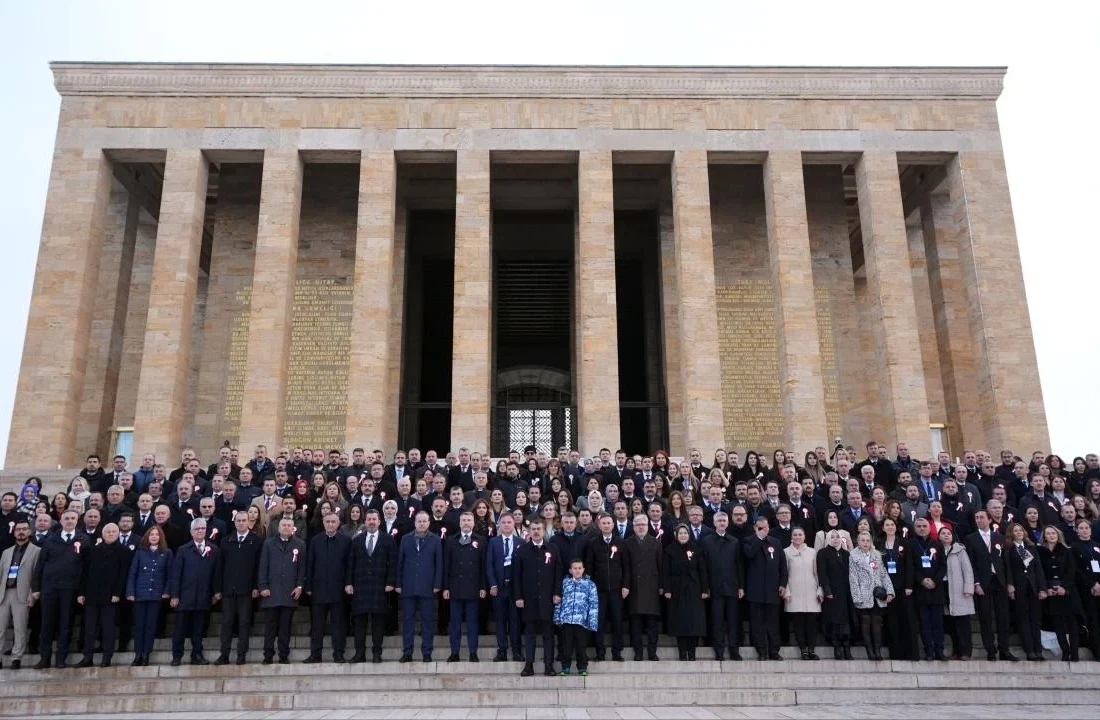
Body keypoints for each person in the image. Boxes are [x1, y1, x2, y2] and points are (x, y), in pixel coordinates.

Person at [31, 509, 89, 669]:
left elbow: (86, 567)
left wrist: (82, 591)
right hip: (49, 588)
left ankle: (61, 659)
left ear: (77, 521)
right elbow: (40, 565)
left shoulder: (84, 540)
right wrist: (36, 588)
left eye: (72, 518)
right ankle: (44, 658)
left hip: (70, 589)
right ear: (61, 521)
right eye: (66, 518)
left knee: (65, 624)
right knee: (46, 624)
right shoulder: (50, 539)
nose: (69, 521)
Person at [963, 509, 1015, 661]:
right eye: (976, 518)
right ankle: (990, 649)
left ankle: (1004, 649)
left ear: (990, 520)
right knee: (985, 618)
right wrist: (976, 583)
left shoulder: (1000, 538)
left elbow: (1007, 563)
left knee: (1003, 617)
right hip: (983, 583)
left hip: (1000, 581)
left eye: (981, 517)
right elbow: (970, 563)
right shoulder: (970, 539)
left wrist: (1010, 583)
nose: (979, 520)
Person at [347, 509, 396, 663]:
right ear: (365, 521)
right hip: (360, 586)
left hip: (379, 587)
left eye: (374, 519)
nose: (372, 522)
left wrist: (390, 582)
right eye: (369, 519)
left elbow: (393, 563)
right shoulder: (357, 540)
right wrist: (349, 583)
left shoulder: (388, 540)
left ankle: (376, 653)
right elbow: (350, 564)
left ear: (379, 521)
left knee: (378, 622)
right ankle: (359, 653)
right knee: (359, 622)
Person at [75, 522, 128, 667]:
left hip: (110, 596)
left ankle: (106, 658)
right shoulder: (92, 550)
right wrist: (81, 592)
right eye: (108, 532)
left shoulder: (123, 551)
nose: (110, 534)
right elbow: (85, 573)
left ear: (117, 534)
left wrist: (117, 593)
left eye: (113, 532)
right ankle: (87, 657)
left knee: (108, 628)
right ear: (103, 534)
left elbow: (123, 574)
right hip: (92, 594)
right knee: (89, 628)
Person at [513, 518, 561, 677]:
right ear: (529, 530)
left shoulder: (553, 549)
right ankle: (529, 665)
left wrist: (557, 593)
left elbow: (557, 574)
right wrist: (518, 596)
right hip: (529, 599)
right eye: (533, 528)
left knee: (548, 634)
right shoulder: (522, 550)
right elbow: (517, 576)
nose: (536, 531)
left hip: (548, 598)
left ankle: (549, 665)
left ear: (543, 530)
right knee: (530, 633)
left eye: (539, 528)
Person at [213, 511, 262, 665]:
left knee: (244, 623)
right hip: (228, 590)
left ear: (249, 522)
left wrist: (256, 586)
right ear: (234, 522)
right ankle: (224, 654)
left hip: (247, 590)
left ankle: (241, 654)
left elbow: (258, 566)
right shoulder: (226, 540)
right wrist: (217, 589)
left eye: (244, 520)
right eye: (238, 520)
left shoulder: (256, 540)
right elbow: (219, 567)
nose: (241, 523)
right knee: (227, 623)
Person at [167, 518, 218, 666]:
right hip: (185, 597)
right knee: (180, 629)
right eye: (197, 529)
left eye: (203, 528)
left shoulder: (213, 550)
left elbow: (216, 573)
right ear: (191, 532)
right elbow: (176, 574)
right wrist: (175, 595)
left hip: (203, 596)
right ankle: (177, 656)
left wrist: (215, 592)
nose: (200, 531)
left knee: (198, 630)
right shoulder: (183, 550)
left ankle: (197, 655)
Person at [258, 517, 307, 664]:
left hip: (289, 592)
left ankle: (283, 655)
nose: (286, 527)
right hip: (271, 592)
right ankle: (268, 655)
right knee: (270, 627)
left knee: (285, 627)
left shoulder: (300, 544)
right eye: (283, 525)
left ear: (293, 528)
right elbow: (263, 566)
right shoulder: (268, 544)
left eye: (289, 525)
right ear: (278, 528)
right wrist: (263, 586)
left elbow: (301, 568)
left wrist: (299, 586)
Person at [304, 512, 352, 663]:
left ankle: (338, 653)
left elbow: (349, 565)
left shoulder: (346, 541)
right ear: (323, 523)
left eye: (333, 522)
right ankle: (315, 654)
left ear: (338, 524)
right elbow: (310, 564)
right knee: (317, 625)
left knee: (338, 625)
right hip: (318, 589)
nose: (330, 524)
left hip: (338, 590)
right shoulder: (315, 541)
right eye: (327, 521)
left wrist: (348, 583)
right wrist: (308, 585)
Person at [396, 511, 442, 662]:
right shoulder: (405, 539)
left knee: (427, 621)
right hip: (408, 586)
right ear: (415, 523)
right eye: (419, 521)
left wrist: (437, 584)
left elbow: (438, 564)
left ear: (429, 523)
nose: (422, 524)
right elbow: (400, 563)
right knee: (408, 621)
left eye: (424, 521)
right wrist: (398, 583)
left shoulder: (435, 540)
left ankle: (427, 652)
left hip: (427, 587)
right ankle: (407, 652)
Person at [584, 512, 631, 662]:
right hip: (599, 590)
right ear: (599, 525)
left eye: (609, 523)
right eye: (603, 523)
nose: (606, 525)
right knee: (599, 621)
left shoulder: (620, 542)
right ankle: (600, 652)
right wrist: (591, 588)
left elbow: (626, 567)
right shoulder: (593, 543)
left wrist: (625, 585)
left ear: (613, 525)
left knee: (617, 621)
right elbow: (589, 567)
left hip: (617, 589)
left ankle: (617, 652)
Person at [442, 511, 487, 662]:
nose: (466, 523)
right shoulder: (450, 540)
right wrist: (446, 587)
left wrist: (482, 587)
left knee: (472, 623)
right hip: (455, 588)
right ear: (459, 523)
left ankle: (473, 652)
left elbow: (483, 566)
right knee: (454, 623)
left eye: (469, 520)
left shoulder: (481, 540)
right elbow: (446, 566)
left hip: (473, 588)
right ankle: (454, 652)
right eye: (464, 520)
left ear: (473, 523)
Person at [125, 525, 173, 666]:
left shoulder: (167, 553)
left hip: (156, 595)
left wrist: (167, 591)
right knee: (139, 626)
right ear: (147, 537)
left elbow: (170, 575)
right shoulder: (140, 553)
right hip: (140, 594)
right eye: (151, 534)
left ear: (161, 537)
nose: (154, 537)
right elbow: (133, 573)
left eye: (156, 535)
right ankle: (138, 654)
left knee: (150, 626)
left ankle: (146, 654)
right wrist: (130, 592)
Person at [700, 511, 744, 661]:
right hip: (714, 588)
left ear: (728, 522)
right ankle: (719, 650)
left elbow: (739, 566)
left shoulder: (734, 541)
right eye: (719, 521)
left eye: (724, 521)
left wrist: (741, 587)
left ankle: (734, 649)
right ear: (714, 523)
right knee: (717, 621)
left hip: (732, 587)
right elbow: (703, 567)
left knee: (733, 621)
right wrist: (705, 587)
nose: (722, 523)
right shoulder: (706, 541)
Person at [661, 524, 709, 660]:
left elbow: (702, 571)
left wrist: (705, 589)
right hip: (676, 589)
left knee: (694, 621)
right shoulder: (669, 550)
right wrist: (667, 589)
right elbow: (666, 572)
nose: (683, 535)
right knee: (680, 621)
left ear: (689, 535)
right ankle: (682, 652)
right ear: (676, 535)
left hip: (694, 588)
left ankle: (692, 652)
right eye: (680, 533)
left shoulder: (697, 549)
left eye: (685, 533)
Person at [743, 518, 787, 660]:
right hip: (755, 590)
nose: (763, 530)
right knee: (757, 624)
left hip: (773, 590)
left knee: (773, 623)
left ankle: (774, 651)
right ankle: (762, 651)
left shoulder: (776, 542)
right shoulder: (748, 541)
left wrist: (783, 583)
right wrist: (759, 539)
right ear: (755, 528)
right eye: (760, 528)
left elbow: (783, 566)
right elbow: (749, 554)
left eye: (765, 528)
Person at [1004, 522, 1048, 660]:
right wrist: (1010, 584)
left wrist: (1042, 588)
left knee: (1035, 619)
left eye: (1021, 530)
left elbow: (1038, 569)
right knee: (1023, 619)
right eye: (1016, 531)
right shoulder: (1009, 549)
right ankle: (1029, 650)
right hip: (1019, 587)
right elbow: (1008, 568)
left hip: (1033, 587)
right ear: (1011, 533)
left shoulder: (1031, 548)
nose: (1019, 533)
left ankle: (1038, 650)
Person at [0, 519, 39, 669]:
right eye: (18, 529)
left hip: (22, 593)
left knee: (20, 627)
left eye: (24, 529)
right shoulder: (6, 552)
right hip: (4, 593)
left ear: (29, 532)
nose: (21, 532)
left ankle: (17, 657)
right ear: (14, 532)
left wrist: (32, 594)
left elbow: (36, 575)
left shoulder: (36, 551)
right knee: (1, 628)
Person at [1037, 525, 1081, 661]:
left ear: (1058, 535)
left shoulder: (1066, 551)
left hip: (1067, 592)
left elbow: (1071, 570)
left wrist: (1064, 587)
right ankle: (1065, 652)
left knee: (1072, 625)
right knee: (1058, 625)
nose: (1051, 535)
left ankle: (1074, 653)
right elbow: (1040, 571)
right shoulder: (1040, 551)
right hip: (1051, 593)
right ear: (1044, 536)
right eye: (1048, 533)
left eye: (1053, 533)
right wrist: (1046, 588)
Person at [624, 514, 663, 661]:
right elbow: (626, 567)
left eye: (643, 524)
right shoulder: (627, 543)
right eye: (638, 524)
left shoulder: (656, 542)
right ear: (633, 527)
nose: (641, 527)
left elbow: (660, 565)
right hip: (634, 588)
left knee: (652, 624)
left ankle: (652, 652)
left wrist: (661, 586)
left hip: (652, 587)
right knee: (636, 624)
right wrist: (626, 586)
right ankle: (638, 652)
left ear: (648, 526)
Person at [487, 514, 523, 662]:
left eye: (509, 522)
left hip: (515, 589)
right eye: (504, 523)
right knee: (500, 621)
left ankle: (516, 651)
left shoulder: (520, 542)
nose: (507, 525)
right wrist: (493, 584)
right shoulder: (493, 542)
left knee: (515, 621)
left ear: (514, 524)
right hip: (499, 588)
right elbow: (488, 564)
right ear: (499, 525)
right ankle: (502, 650)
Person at [554, 558, 599, 676]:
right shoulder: (564, 583)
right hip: (567, 620)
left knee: (581, 646)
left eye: (580, 568)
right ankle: (565, 667)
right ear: (570, 570)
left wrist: (592, 622)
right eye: (575, 568)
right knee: (566, 646)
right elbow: (559, 601)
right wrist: (557, 617)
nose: (577, 571)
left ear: (583, 569)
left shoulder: (590, 585)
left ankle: (582, 667)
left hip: (582, 622)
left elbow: (593, 604)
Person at [782, 526, 821, 660]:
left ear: (804, 536)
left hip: (811, 590)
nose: (798, 537)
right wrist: (786, 590)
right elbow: (784, 574)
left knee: (812, 622)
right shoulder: (786, 552)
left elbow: (817, 573)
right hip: (794, 591)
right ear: (791, 537)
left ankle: (811, 649)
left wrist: (819, 589)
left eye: (800, 535)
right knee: (798, 623)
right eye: (795, 535)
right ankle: (803, 650)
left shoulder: (812, 552)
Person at [940, 526, 975, 660]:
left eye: (948, 533)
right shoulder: (936, 550)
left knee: (963, 623)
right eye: (943, 533)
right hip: (944, 587)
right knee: (950, 623)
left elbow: (967, 570)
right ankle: (956, 650)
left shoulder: (959, 550)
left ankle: (966, 651)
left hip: (959, 589)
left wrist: (968, 588)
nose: (946, 535)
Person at [816, 529, 852, 659]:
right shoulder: (823, 553)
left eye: (838, 537)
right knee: (834, 620)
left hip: (845, 592)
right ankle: (837, 647)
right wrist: (827, 590)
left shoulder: (846, 554)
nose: (836, 539)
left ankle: (846, 647)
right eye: (833, 537)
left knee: (845, 620)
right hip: (832, 592)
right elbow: (822, 573)